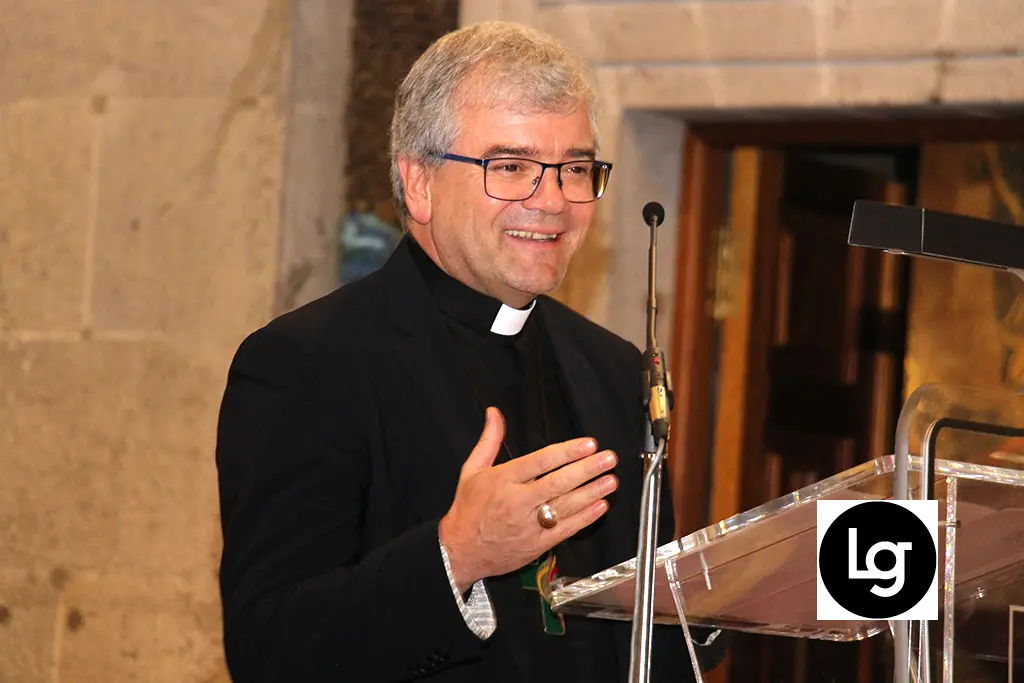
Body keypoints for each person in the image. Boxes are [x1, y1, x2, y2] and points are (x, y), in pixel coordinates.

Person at [215, 20, 727, 682]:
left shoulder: (613, 367)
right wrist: (456, 555)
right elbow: (270, 649)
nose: (552, 201)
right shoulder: (305, 365)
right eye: (511, 166)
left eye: (574, 168)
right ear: (420, 183)